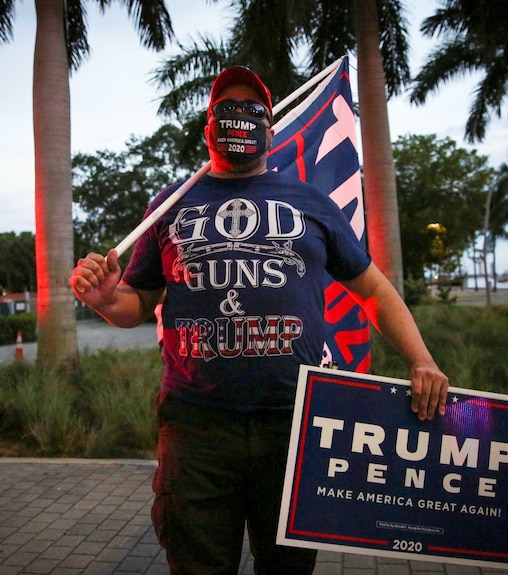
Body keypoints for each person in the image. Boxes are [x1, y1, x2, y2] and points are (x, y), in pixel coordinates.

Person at [71, 66, 449, 575]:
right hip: (196, 426)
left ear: (270, 129)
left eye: (253, 110)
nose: (239, 119)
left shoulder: (311, 203)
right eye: (226, 108)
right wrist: (102, 298)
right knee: (196, 563)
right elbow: (136, 303)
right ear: (208, 127)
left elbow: (374, 290)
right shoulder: (169, 204)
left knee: (288, 568)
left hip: (295, 422)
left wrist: (421, 360)